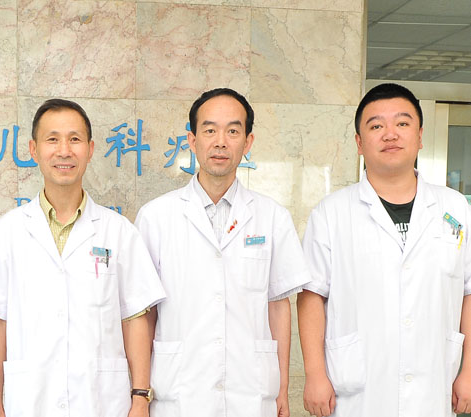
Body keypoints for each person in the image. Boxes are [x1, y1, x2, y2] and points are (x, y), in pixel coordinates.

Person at [0, 99, 165, 417]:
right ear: (34, 150)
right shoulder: (5, 233)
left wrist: (139, 397)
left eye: (74, 139)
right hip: (30, 401)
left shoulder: (119, 231)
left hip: (102, 401)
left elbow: (134, 318)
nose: (64, 151)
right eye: (52, 139)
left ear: (90, 150)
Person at [135, 88, 311, 417]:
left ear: (248, 142)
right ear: (192, 140)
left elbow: (278, 307)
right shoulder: (156, 217)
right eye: (210, 130)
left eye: (232, 131)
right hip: (179, 392)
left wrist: (282, 388)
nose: (220, 142)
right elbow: (145, 313)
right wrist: (140, 394)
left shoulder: (272, 216)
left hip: (251, 392)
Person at [298, 83, 471, 417]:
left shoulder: (455, 209)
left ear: (420, 136)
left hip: (434, 384)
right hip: (359, 391)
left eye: (402, 123)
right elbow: (311, 296)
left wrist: (469, 370)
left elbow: (468, 291)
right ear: (359, 143)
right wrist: (315, 374)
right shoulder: (332, 212)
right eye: (377, 126)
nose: (390, 134)